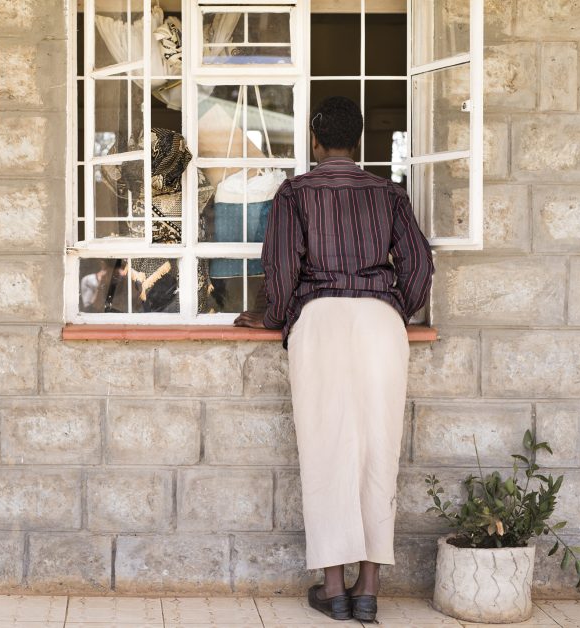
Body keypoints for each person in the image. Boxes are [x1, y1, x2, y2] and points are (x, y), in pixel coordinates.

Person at [235, 96, 434, 623]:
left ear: (315, 141)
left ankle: (333, 589)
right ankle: (368, 590)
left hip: (319, 321)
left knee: (325, 450)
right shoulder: (389, 193)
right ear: (359, 141)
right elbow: (418, 265)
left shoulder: (295, 192)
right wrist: (394, 306)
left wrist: (273, 316)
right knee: (379, 450)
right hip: (379, 324)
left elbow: (281, 269)